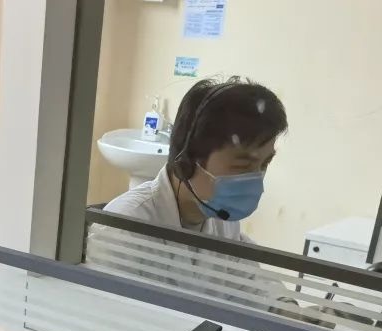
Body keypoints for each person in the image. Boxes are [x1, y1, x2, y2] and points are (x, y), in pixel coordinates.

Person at [102, 77, 292, 309]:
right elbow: (107, 317)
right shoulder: (125, 226)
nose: (256, 177)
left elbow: (249, 279)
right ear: (187, 162)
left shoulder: (222, 221)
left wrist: (286, 307)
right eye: (242, 165)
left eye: (264, 164)